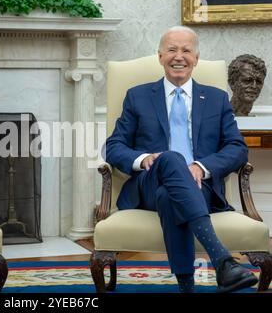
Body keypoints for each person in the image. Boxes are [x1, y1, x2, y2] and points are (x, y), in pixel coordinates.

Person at [105, 26, 258, 293]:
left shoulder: (217, 98)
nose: (179, 56)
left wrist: (201, 167)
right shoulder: (137, 96)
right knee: (171, 160)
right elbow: (113, 146)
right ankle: (222, 260)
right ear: (160, 56)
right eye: (172, 50)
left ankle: (187, 287)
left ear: (196, 58)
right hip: (148, 184)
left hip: (203, 188)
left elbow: (237, 148)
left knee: (169, 195)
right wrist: (143, 159)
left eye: (186, 50)